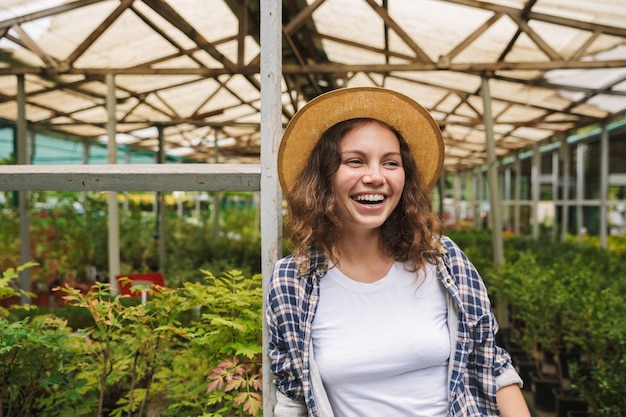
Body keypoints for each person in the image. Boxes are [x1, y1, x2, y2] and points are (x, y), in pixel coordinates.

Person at [266, 87, 530, 417]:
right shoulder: (293, 281)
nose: (375, 177)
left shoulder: (441, 259)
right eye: (355, 161)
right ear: (324, 175)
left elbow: (491, 365)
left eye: (391, 162)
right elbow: (292, 398)